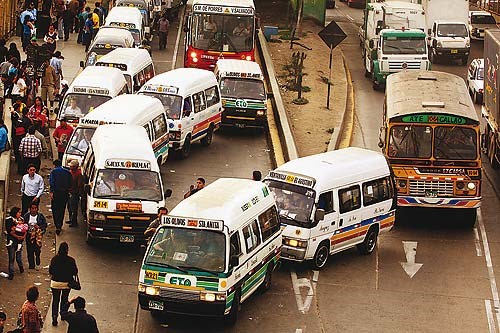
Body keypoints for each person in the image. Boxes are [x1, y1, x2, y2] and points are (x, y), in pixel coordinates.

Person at [49, 242, 78, 327]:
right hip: (67, 284)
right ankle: (63, 314)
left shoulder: (54, 259)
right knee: (64, 299)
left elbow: (50, 271)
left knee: (55, 300)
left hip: (55, 283)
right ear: (67, 250)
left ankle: (54, 317)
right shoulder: (71, 260)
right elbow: (75, 272)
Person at [49, 159, 72, 235]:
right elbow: (70, 183)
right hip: (64, 193)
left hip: (56, 193)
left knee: (55, 209)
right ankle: (60, 224)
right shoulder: (67, 172)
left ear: (55, 165)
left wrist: (51, 192)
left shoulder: (53, 172)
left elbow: (52, 182)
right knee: (62, 209)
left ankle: (57, 224)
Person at [23, 203, 47, 269]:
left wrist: (39, 227)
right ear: (30, 209)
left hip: (37, 235)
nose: (33, 210)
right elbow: (23, 224)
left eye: (35, 208)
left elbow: (45, 225)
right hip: (29, 235)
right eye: (32, 208)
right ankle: (31, 265)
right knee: (29, 250)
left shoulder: (40, 216)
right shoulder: (26, 216)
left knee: (37, 248)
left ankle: (37, 256)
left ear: (37, 209)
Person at [5, 207, 26, 280]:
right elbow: (10, 231)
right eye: (19, 212)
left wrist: (23, 236)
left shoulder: (21, 219)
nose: (20, 214)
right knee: (12, 258)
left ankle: (21, 267)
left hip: (19, 241)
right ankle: (11, 273)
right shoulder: (9, 220)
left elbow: (25, 229)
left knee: (18, 257)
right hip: (12, 241)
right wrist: (17, 236)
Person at [68, 159, 84, 227]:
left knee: (74, 208)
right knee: (69, 207)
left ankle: (74, 222)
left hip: (75, 193)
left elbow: (79, 185)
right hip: (70, 192)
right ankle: (71, 219)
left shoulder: (78, 174)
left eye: (72, 166)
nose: (70, 168)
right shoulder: (70, 172)